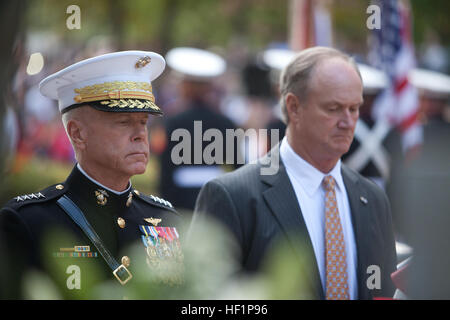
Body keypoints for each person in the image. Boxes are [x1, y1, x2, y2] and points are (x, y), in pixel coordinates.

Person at [192, 47, 397, 300]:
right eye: (333, 108)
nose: (347, 122)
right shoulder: (234, 196)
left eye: (354, 109)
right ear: (294, 107)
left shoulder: (373, 199)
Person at [0, 51, 183, 299]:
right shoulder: (28, 222)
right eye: (123, 122)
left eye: (143, 122)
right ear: (77, 134)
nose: (140, 134)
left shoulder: (162, 217)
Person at [158, 47, 239, 216]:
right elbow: (239, 167)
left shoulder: (173, 121)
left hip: (178, 199)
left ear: (186, 86)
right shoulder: (225, 122)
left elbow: (165, 168)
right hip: (216, 197)